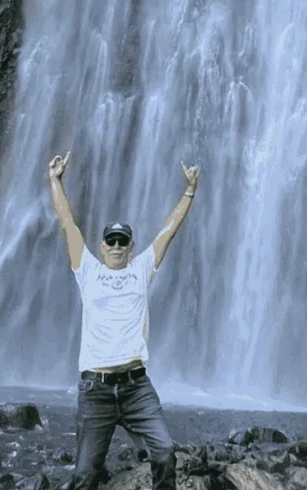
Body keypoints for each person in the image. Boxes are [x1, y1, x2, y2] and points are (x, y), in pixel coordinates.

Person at [46, 151, 200, 490]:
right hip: (95, 390)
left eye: (123, 241)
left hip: (136, 388)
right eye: (111, 241)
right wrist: (55, 181)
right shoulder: (87, 271)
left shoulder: (142, 269)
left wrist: (189, 191)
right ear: (101, 247)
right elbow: (67, 224)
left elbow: (169, 230)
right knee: (85, 474)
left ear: (131, 248)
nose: (117, 246)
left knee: (164, 453)